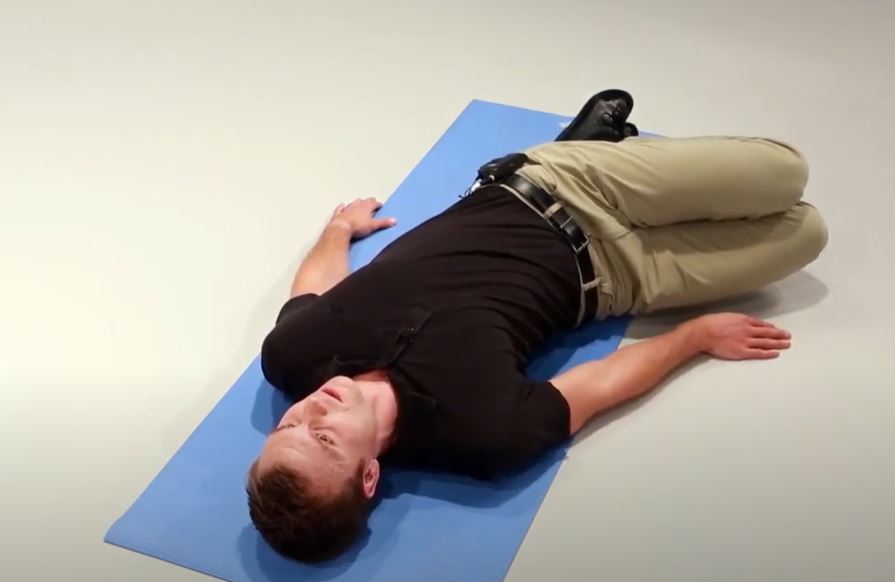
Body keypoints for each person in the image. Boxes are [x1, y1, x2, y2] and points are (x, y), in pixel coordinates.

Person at [246, 91, 828, 562]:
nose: (311, 409)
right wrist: (694, 337)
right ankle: (595, 143)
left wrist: (339, 231)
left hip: (560, 186)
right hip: (620, 277)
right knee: (806, 234)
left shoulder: (294, 357)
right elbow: (600, 384)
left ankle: (581, 145)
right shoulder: (482, 437)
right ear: (369, 476)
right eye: (322, 437)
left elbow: (312, 290)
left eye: (288, 426)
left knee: (786, 173)